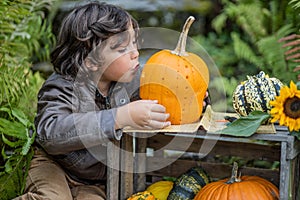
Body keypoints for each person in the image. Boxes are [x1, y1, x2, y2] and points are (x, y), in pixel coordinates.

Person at [14, 1, 208, 199]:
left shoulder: (132, 82)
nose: (135, 53)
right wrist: (119, 117)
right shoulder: (62, 87)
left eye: (134, 42)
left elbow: (164, 98)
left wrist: (191, 99)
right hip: (53, 165)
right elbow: (51, 133)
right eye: (122, 49)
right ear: (90, 62)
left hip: (96, 179)